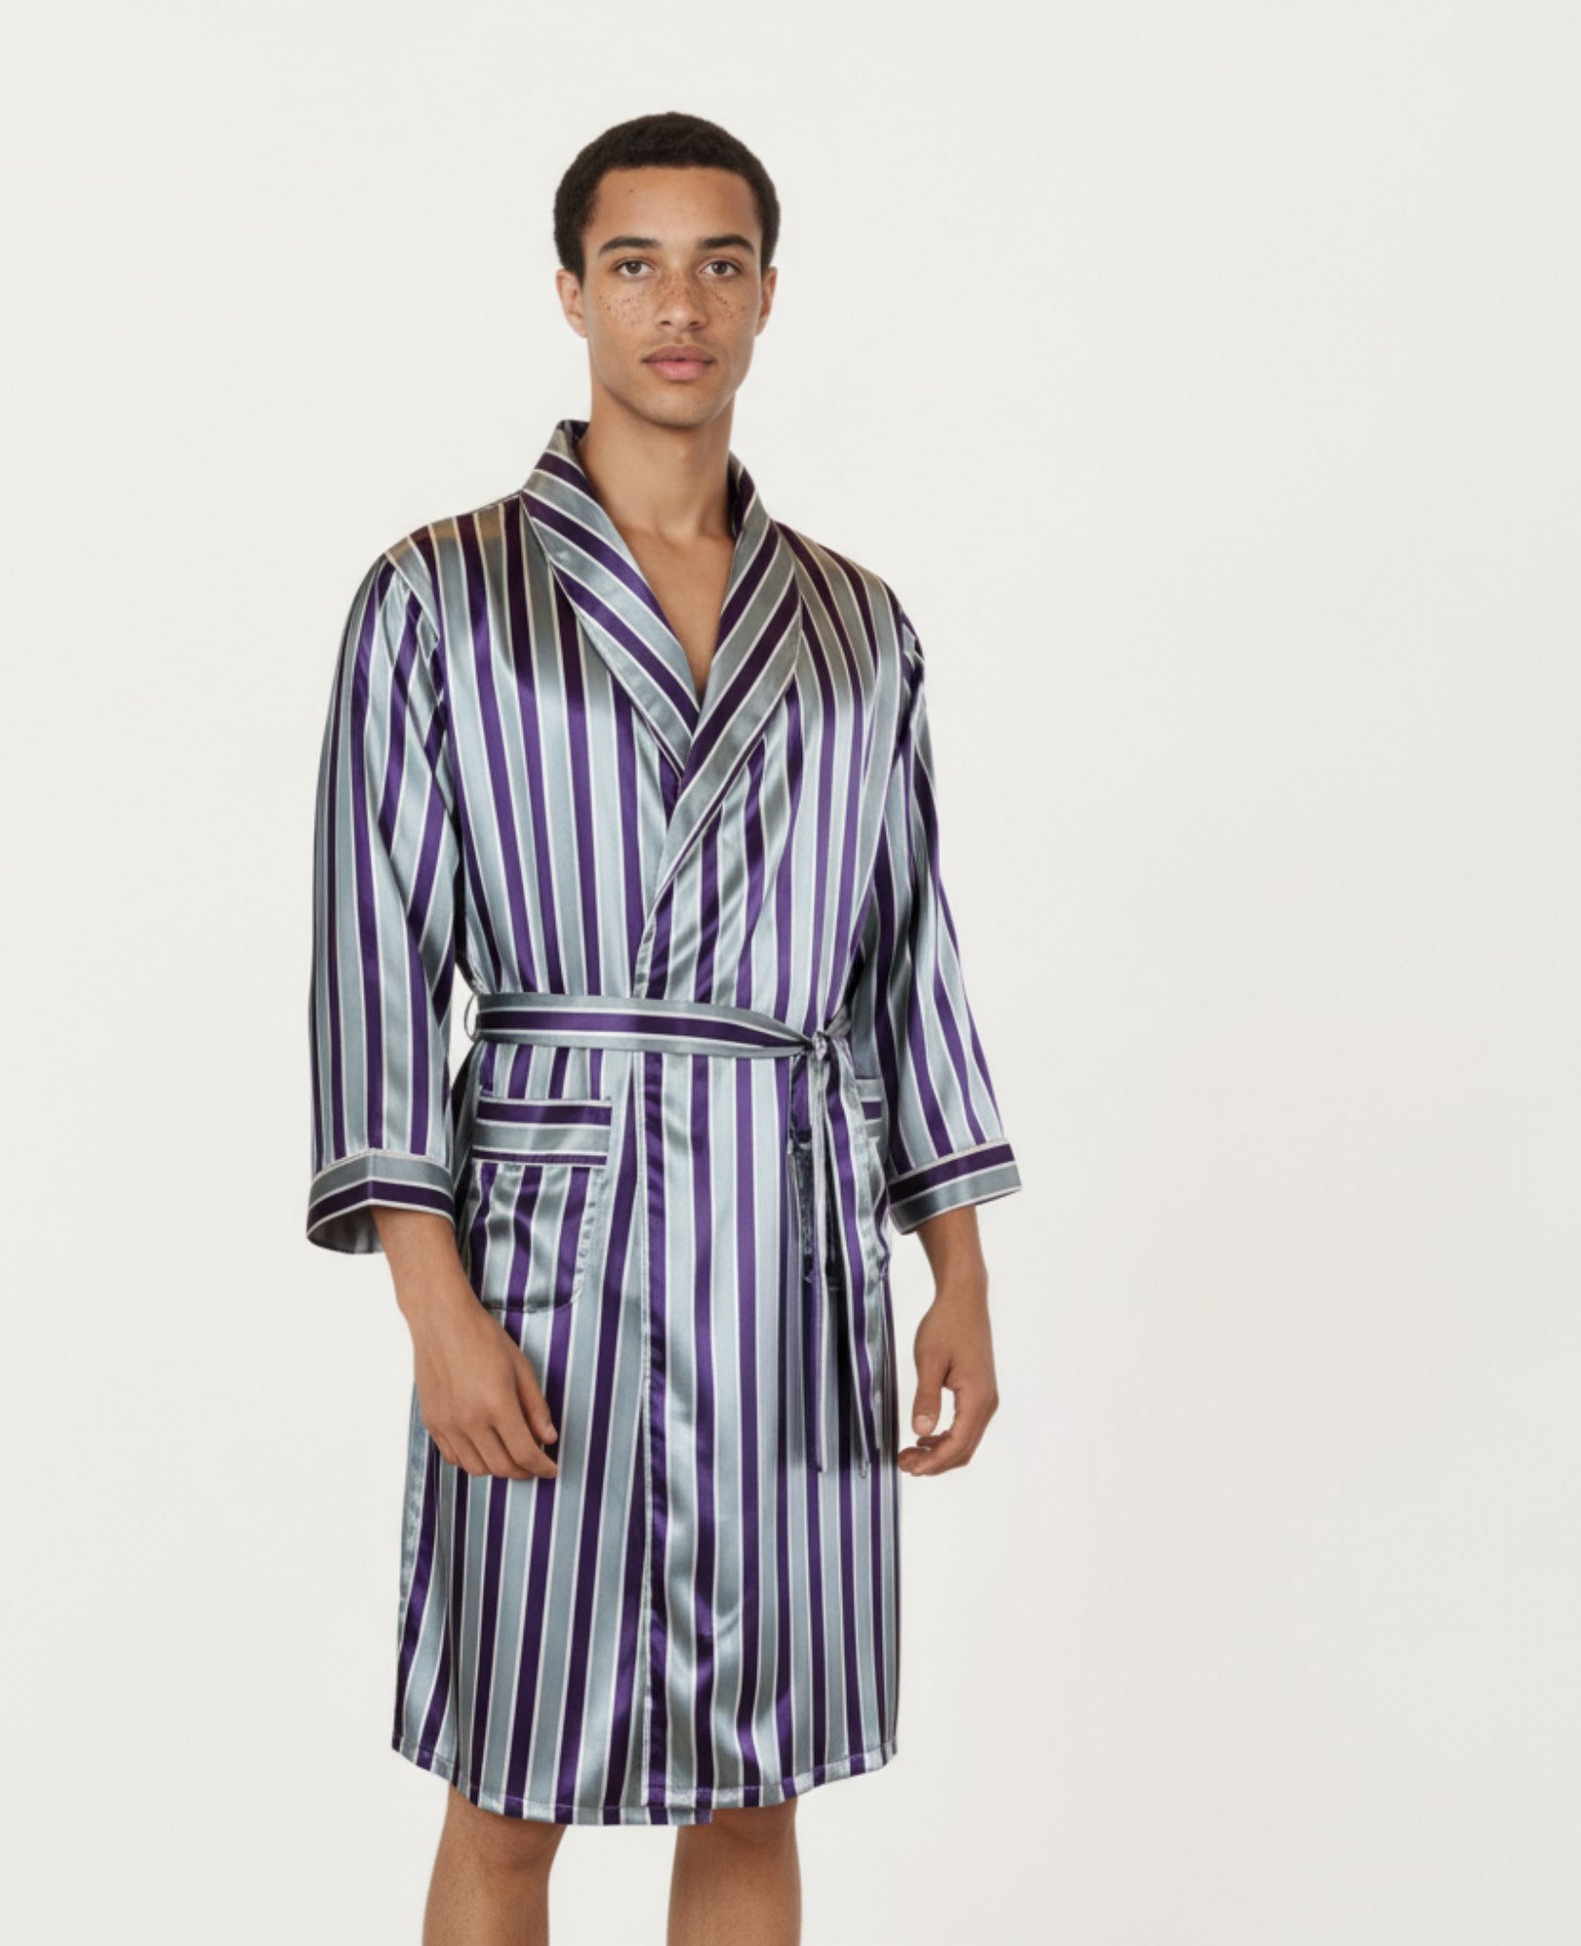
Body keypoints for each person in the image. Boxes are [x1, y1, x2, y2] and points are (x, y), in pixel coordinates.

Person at [305, 110, 1023, 1945]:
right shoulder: (439, 595)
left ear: (768, 294)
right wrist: (431, 1302)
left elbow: (904, 958)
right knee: (508, 1778)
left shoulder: (855, 625)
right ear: (571, 293)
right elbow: (376, 958)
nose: (677, 305)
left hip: (786, 1255)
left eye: (719, 264)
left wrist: (955, 1269)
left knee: (755, 1779)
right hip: (546, 1257)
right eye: (634, 265)